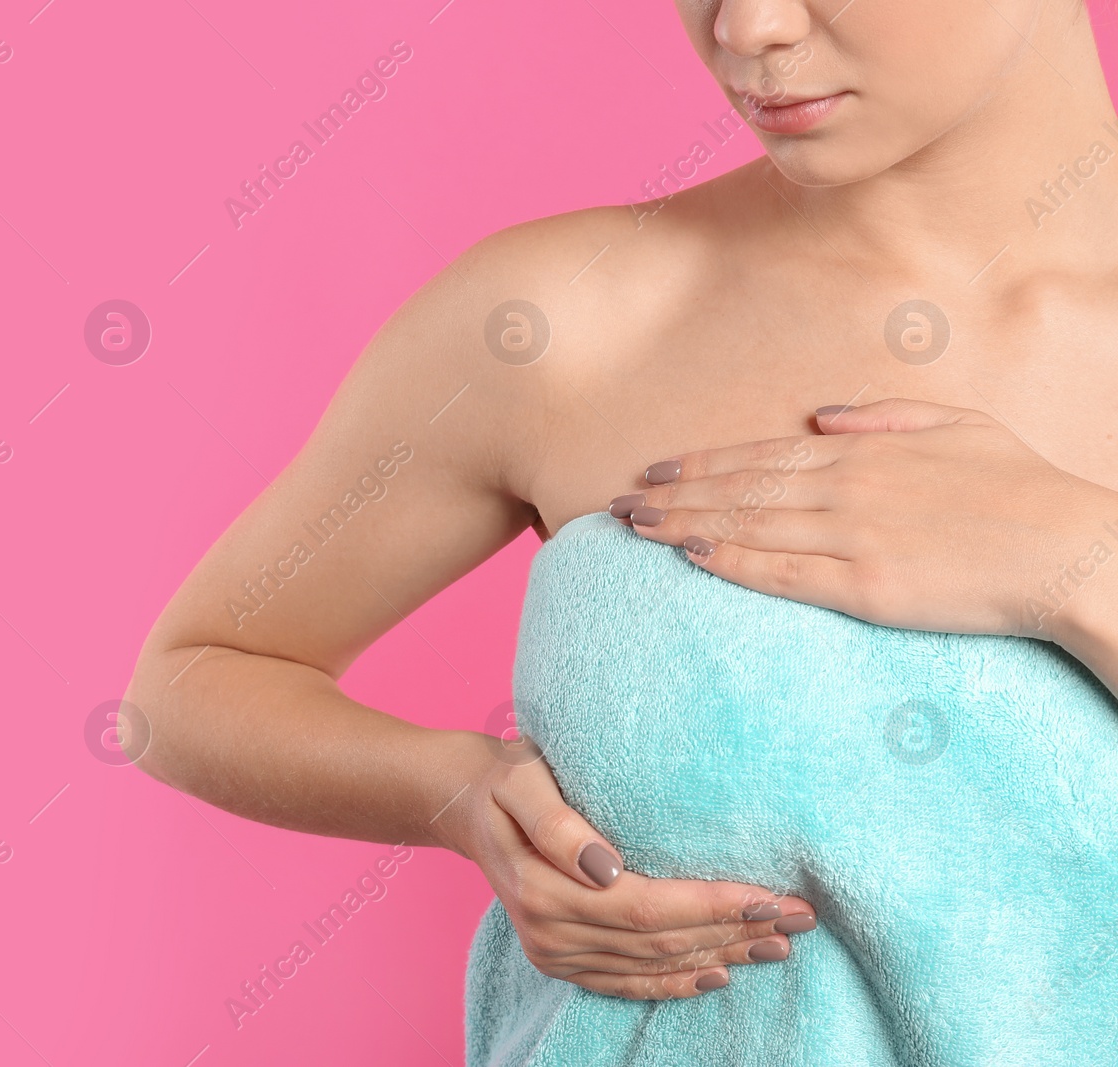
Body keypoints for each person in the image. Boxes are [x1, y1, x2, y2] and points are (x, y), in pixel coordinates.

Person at [124, 0, 1118, 1056]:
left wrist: (1072, 564)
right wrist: (459, 797)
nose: (746, 29)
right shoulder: (566, 322)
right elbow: (187, 680)